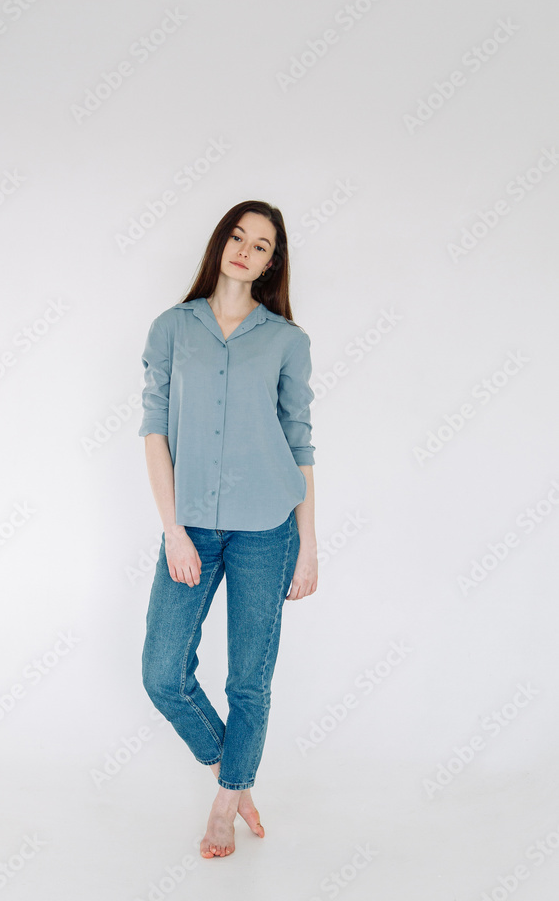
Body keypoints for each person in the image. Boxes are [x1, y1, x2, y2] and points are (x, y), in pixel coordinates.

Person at [138, 200, 318, 859]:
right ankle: (234, 777)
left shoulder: (286, 340)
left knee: (248, 680)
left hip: (267, 527)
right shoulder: (171, 327)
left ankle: (223, 805)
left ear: (272, 263)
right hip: (190, 527)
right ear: (220, 243)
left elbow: (299, 443)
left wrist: (308, 546)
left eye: (261, 245)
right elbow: (154, 431)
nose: (245, 250)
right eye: (237, 236)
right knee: (162, 674)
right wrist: (172, 530)